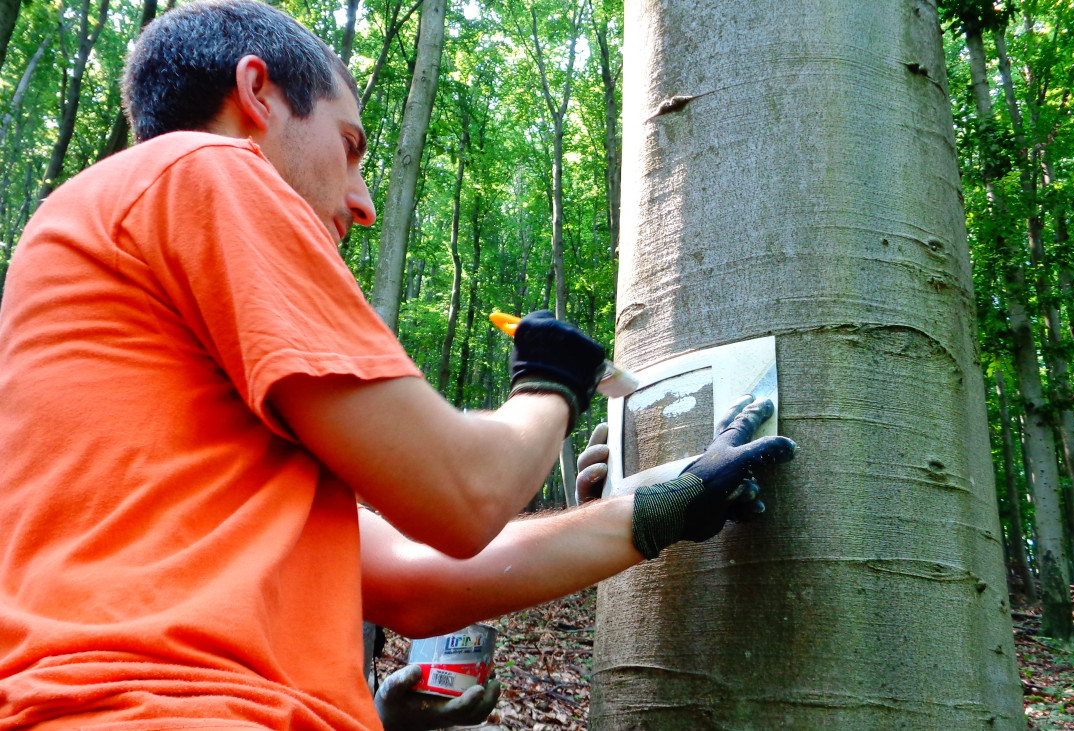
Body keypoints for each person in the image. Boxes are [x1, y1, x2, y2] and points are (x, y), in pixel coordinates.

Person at [0, 2, 796, 731]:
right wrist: (552, 382)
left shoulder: (138, 311)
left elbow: (416, 578)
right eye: (349, 146)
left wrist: (664, 507)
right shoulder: (204, 168)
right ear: (256, 93)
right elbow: (462, 493)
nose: (363, 200)